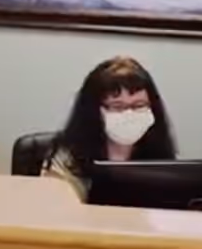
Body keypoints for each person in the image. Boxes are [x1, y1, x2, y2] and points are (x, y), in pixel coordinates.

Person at [43, 56, 177, 200]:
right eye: (117, 107)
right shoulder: (66, 158)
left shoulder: (159, 155)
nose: (129, 114)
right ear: (93, 110)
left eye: (139, 106)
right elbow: (56, 212)